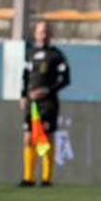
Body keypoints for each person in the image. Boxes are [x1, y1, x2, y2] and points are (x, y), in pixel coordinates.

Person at [19, 20, 70, 187]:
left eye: (46, 31)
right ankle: (28, 178)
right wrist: (23, 95)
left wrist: (48, 90)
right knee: (28, 137)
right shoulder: (30, 53)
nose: (44, 34)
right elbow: (25, 76)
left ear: (51, 34)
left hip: (48, 102)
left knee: (46, 138)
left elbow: (66, 79)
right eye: (41, 31)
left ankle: (47, 179)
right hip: (32, 102)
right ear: (36, 34)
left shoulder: (57, 55)